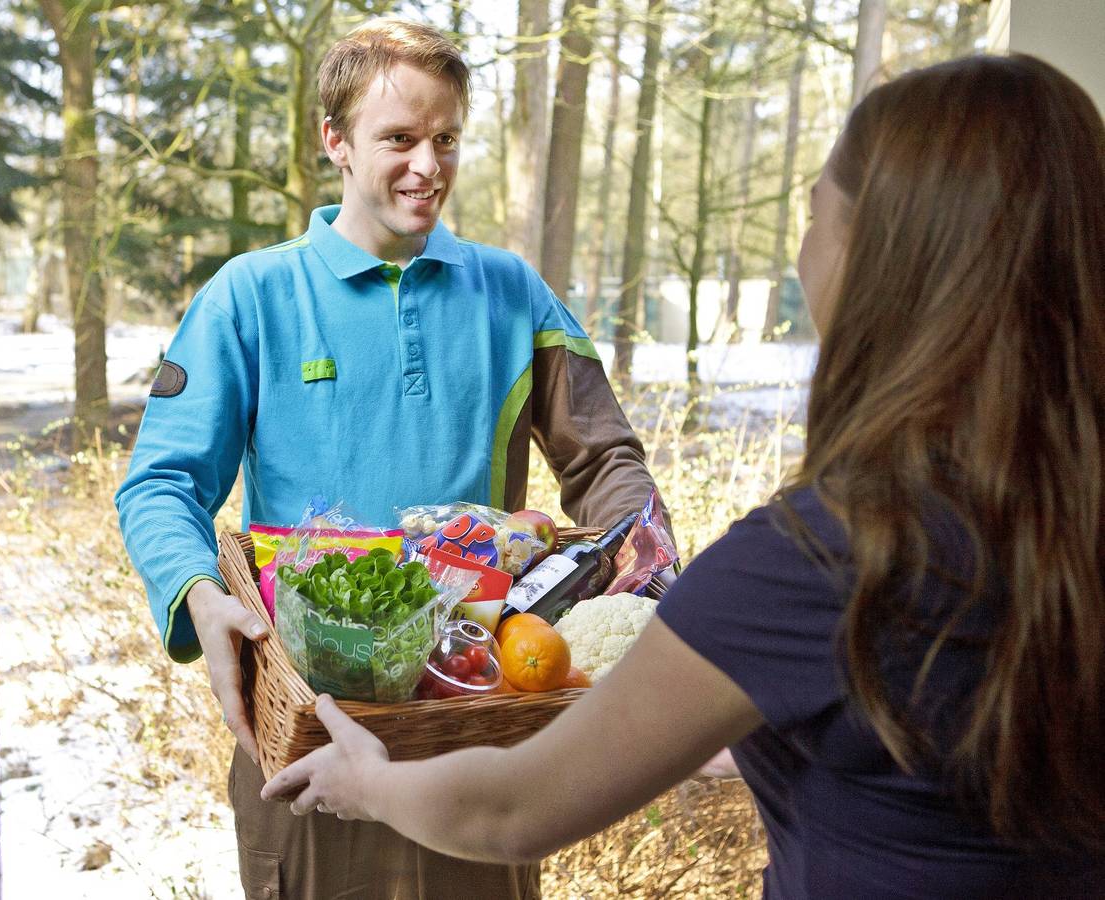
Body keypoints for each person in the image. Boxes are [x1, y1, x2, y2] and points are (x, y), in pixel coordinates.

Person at [259, 54, 1105, 898]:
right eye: (399, 137)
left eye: (814, 217)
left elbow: (513, 809)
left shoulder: (812, 562)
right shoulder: (1059, 522)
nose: (427, 162)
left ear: (882, 265)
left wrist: (367, 782)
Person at [115, 18, 665, 900]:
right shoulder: (251, 296)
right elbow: (162, 483)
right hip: (310, 732)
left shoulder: (513, 292)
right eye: (400, 139)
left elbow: (606, 462)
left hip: (475, 732)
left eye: (445, 139)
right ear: (335, 141)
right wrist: (198, 593)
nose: (429, 166)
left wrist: (645, 569)